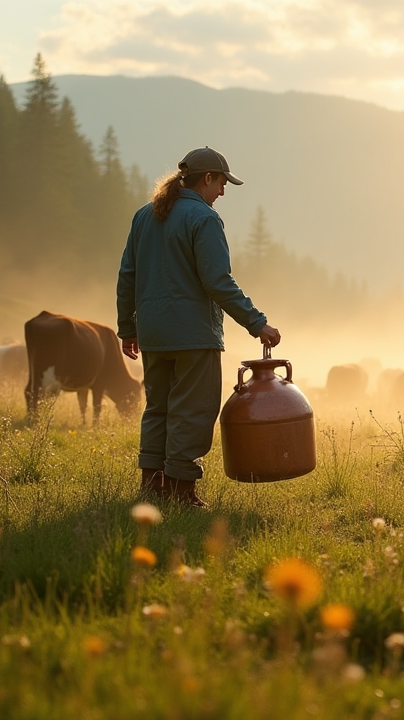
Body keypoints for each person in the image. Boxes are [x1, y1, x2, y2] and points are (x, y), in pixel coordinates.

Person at [116, 146, 281, 507]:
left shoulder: (144, 216)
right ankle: (180, 491)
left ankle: (152, 484)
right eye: (221, 183)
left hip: (154, 334)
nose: (222, 192)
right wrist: (258, 324)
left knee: (158, 406)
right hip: (193, 334)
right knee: (193, 408)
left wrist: (127, 328)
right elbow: (218, 281)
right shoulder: (204, 219)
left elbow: (127, 275)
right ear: (207, 179)